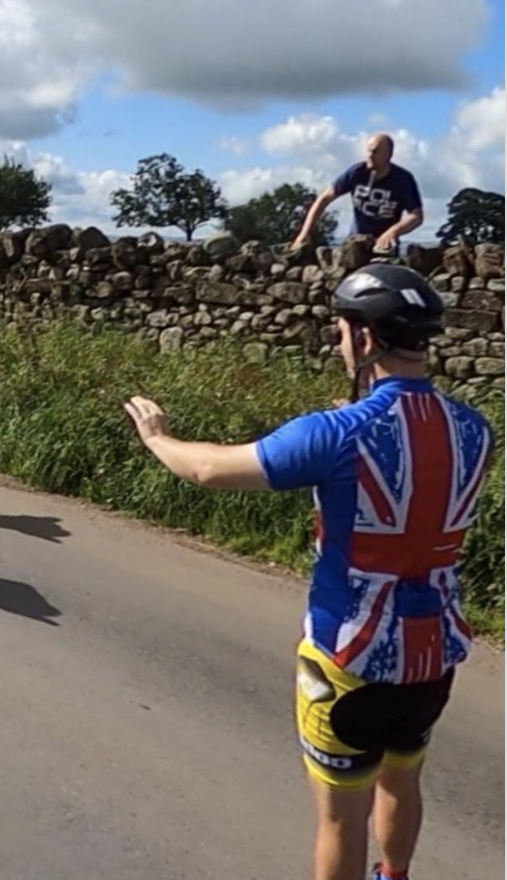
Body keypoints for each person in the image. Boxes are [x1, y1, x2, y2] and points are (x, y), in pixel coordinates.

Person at [121, 263, 494, 880]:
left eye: (341, 330)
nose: (336, 341)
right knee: (404, 773)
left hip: (349, 657)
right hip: (434, 654)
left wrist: (159, 439)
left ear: (366, 339)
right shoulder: (474, 429)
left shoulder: (334, 433)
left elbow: (211, 471)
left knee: (339, 819)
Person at [293, 134, 424, 255]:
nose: (370, 156)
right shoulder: (356, 173)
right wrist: (304, 234)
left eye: (375, 152)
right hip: (355, 244)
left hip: (383, 248)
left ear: (388, 154)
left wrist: (392, 232)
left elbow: (416, 216)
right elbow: (324, 199)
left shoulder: (402, 179)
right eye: (369, 151)